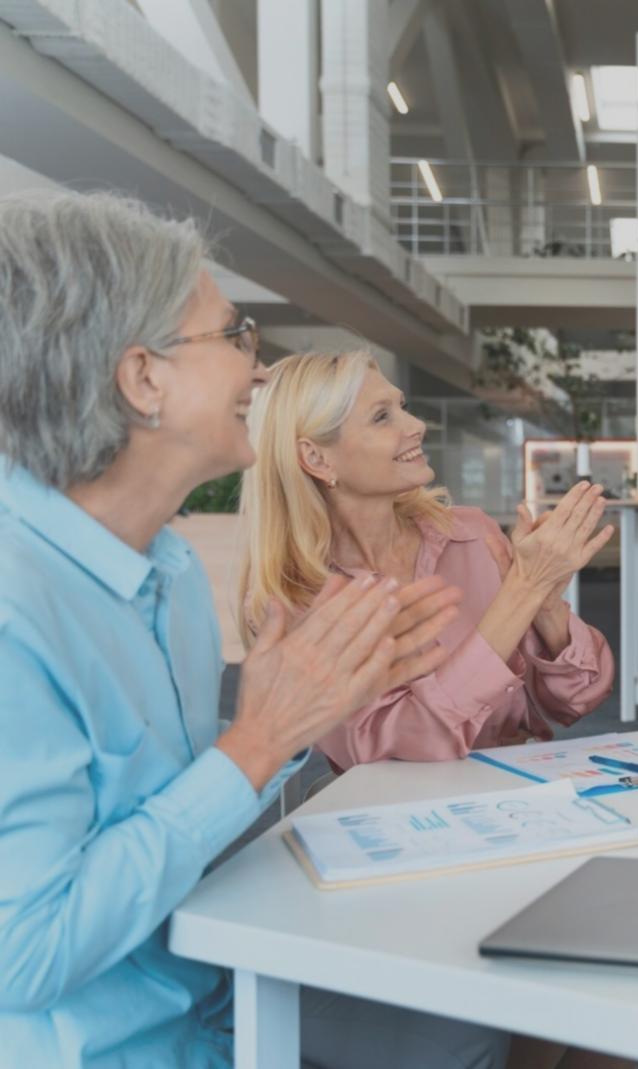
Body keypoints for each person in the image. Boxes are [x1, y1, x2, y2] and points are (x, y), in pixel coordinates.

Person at [0, 191, 499, 1068]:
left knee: (491, 1024)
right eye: (234, 338)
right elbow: (23, 955)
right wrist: (261, 742)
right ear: (143, 378)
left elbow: (184, 825)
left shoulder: (174, 573)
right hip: (121, 1049)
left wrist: (303, 715)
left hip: (227, 1005)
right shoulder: (15, 609)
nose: (258, 373)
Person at [238, 351, 616, 771]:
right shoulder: (294, 602)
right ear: (316, 458)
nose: (416, 426)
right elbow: (395, 748)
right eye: (381, 417)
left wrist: (543, 602)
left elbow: (581, 696)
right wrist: (522, 591)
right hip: (403, 819)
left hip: (518, 796)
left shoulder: (472, 534)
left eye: (402, 407)